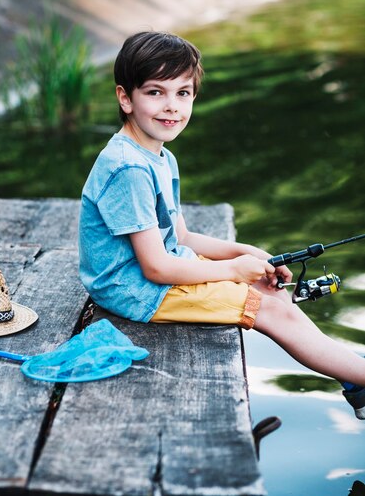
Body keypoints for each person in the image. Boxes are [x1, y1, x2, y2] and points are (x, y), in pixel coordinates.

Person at [79, 31, 365, 419]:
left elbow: (180, 238)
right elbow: (157, 267)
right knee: (272, 311)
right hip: (132, 290)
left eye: (183, 93)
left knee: (275, 294)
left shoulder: (159, 155)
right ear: (125, 98)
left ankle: (353, 378)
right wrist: (232, 270)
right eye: (155, 92)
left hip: (152, 274)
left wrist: (251, 254)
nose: (171, 107)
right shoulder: (128, 168)